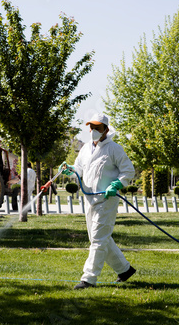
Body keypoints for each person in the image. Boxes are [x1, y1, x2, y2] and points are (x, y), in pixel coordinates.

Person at [59, 113, 136, 289]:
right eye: (91, 127)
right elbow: (78, 169)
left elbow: (128, 170)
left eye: (97, 128)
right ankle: (124, 270)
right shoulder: (86, 148)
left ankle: (89, 279)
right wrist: (69, 170)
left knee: (98, 240)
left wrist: (116, 184)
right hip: (89, 199)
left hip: (106, 199)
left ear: (106, 130)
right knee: (100, 238)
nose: (93, 131)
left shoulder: (114, 149)